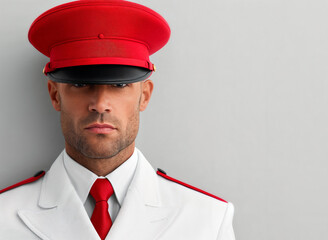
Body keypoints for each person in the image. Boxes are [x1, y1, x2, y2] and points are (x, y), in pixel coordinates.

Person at [0, 0, 235, 239]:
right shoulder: (3, 217)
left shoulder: (208, 219)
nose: (100, 104)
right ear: (54, 95)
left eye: (120, 84)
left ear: (144, 96)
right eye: (80, 84)